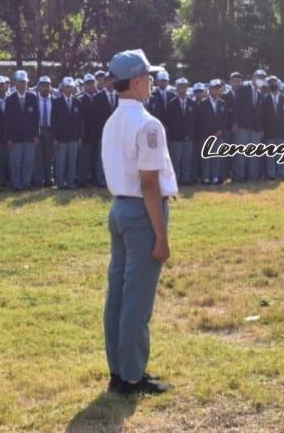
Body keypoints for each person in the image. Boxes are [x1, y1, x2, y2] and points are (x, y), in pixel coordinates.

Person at [102, 49, 175, 395]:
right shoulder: (148, 124)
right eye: (147, 77)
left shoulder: (112, 120)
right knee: (136, 300)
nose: (152, 82)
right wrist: (161, 236)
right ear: (134, 81)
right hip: (142, 212)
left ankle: (118, 370)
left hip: (119, 208)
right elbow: (149, 184)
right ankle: (132, 375)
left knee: (118, 294)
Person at [4, 70, 38, 191]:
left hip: (30, 137)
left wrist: (36, 135)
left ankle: (26, 183)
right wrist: (8, 138)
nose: (23, 84)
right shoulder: (10, 99)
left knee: (28, 162)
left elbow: (36, 118)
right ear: (15, 83)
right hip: (15, 138)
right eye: (20, 82)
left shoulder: (33, 98)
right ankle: (17, 185)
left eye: (24, 82)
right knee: (16, 163)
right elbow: (6, 121)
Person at [52, 77, 83, 190]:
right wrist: (54, 137)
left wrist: (80, 136)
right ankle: (60, 183)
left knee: (72, 162)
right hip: (61, 137)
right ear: (62, 88)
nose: (69, 89)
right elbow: (53, 121)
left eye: (71, 87)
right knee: (60, 162)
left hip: (74, 137)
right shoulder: (56, 102)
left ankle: (70, 183)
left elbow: (80, 121)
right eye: (67, 87)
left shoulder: (77, 102)